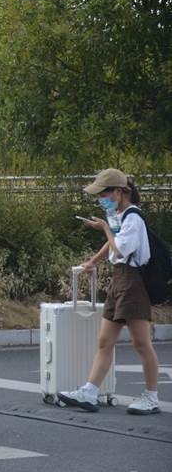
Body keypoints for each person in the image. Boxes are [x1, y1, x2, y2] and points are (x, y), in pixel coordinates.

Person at [59, 168, 160, 415]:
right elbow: (113, 242)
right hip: (120, 280)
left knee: (141, 343)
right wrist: (93, 260)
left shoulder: (133, 218)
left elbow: (121, 250)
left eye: (103, 193)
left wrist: (104, 228)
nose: (100, 198)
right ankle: (89, 391)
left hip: (133, 282)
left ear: (118, 191)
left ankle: (151, 396)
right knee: (105, 340)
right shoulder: (120, 214)